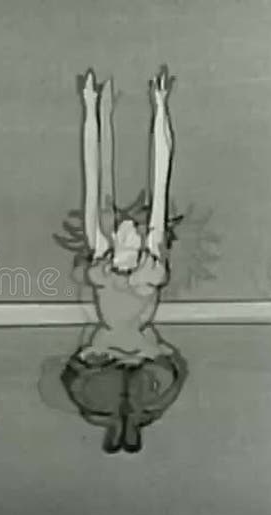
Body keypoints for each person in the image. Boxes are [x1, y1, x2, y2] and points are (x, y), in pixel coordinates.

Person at [74, 66, 178, 366]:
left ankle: (102, 108)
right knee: (104, 189)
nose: (129, 226)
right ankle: (103, 107)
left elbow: (91, 172)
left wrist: (91, 108)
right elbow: (161, 176)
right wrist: (160, 107)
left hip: (116, 290)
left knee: (101, 189)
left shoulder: (104, 253)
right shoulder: (150, 259)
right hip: (127, 308)